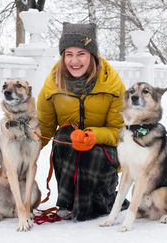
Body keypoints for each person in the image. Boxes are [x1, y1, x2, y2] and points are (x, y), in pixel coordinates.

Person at [37, 22, 129, 221]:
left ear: (92, 55)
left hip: (103, 152)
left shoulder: (112, 84)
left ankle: (103, 200)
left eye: (81, 53)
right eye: (68, 54)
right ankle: (67, 202)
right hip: (69, 151)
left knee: (90, 151)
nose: (74, 60)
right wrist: (16, 159)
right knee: (65, 135)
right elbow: (43, 130)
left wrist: (94, 136)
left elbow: (120, 131)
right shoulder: (52, 86)